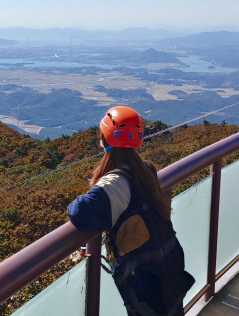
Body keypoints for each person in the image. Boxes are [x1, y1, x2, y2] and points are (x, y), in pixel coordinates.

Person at [67, 106, 194, 316]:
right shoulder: (146, 169)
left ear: (104, 139)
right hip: (167, 264)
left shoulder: (115, 183)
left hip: (145, 278)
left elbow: (79, 211)